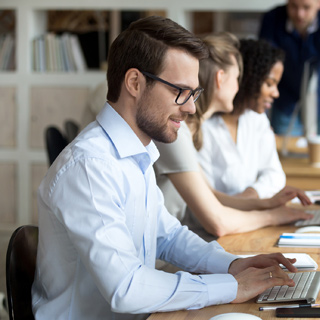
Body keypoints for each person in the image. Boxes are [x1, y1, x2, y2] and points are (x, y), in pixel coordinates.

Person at [31, 16, 302, 320]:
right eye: (180, 91)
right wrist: (230, 286)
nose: (189, 108)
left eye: (194, 94)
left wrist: (231, 264)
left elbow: (167, 236)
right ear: (135, 83)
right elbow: (127, 288)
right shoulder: (90, 167)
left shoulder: (140, 150)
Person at [154, 32, 312, 242]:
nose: (239, 87)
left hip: (175, 245)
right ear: (220, 79)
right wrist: (272, 216)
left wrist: (266, 203)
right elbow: (217, 222)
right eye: (237, 78)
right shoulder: (177, 132)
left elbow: (213, 197)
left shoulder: (189, 130)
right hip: (163, 255)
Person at [197, 39, 290, 202]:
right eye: (269, 84)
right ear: (249, 80)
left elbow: (275, 174)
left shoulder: (257, 119)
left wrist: (249, 196)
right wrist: (246, 204)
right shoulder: (204, 127)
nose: (276, 93)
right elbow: (205, 198)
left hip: (246, 213)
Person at [259, 0, 320, 136]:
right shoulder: (272, 19)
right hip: (286, 97)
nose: (300, 14)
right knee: (284, 151)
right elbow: (265, 68)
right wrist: (257, 116)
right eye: (293, 6)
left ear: (319, 3)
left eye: (306, 7)